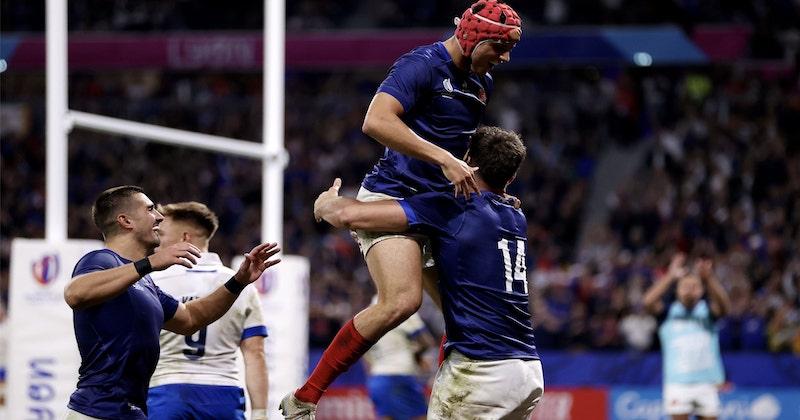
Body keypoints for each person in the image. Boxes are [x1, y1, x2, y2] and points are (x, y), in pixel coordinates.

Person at [281, 1, 523, 417]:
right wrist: (443, 159)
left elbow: (458, 140)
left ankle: (453, 404)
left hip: (440, 207)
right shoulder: (421, 65)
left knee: (464, 317)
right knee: (402, 302)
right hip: (393, 196)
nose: (504, 58)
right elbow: (376, 121)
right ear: (471, 37)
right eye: (499, 47)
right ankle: (305, 397)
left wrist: (492, 189)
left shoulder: (480, 81)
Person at [313, 126, 543, 419]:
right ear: (510, 178)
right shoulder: (515, 215)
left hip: (483, 370)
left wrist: (325, 203)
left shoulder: (453, 209)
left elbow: (346, 215)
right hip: (528, 370)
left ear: (466, 160)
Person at [64, 186, 281, 420]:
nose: (158, 217)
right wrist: (150, 263)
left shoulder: (146, 283)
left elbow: (190, 318)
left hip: (133, 411)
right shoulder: (102, 259)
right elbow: (75, 293)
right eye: (150, 209)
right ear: (126, 221)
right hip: (95, 411)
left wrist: (238, 282)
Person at [146, 202, 268, 420]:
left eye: (161, 234)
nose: (156, 241)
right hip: (223, 395)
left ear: (185, 238)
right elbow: (254, 354)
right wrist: (260, 413)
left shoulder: (152, 282)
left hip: (165, 391)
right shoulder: (241, 284)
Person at [643, 253, 731, 420]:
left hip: (707, 382)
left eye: (695, 286)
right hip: (678, 382)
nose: (690, 289)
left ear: (702, 290)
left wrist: (709, 279)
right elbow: (648, 301)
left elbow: (725, 306)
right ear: (677, 290)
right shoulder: (668, 312)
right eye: (685, 286)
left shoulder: (707, 312)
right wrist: (671, 275)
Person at [363, 298, 434, 420]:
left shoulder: (365, 317)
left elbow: (365, 357)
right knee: (421, 416)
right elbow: (426, 342)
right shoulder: (401, 309)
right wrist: (417, 357)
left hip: (377, 380)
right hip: (400, 375)